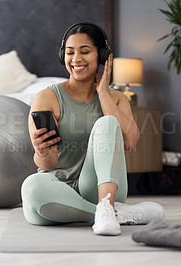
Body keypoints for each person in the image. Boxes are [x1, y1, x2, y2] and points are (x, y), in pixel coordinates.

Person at [21, 22, 165, 236]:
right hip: (55, 192)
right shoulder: (48, 97)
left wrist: (104, 94)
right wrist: (41, 152)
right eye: (70, 52)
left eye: (85, 51)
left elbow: (130, 141)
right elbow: (48, 164)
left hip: (98, 188)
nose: (76, 59)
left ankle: (106, 205)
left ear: (103, 55)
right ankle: (114, 214)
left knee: (107, 123)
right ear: (63, 57)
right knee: (32, 187)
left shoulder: (115, 98)